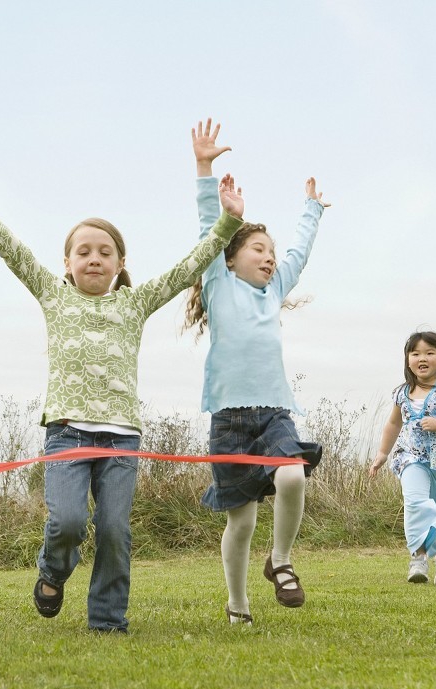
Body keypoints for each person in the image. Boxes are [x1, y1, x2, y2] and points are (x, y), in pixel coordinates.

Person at [0, 151, 245, 634]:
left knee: (114, 532)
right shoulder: (53, 295)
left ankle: (106, 620)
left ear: (121, 263)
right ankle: (52, 570)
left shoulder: (136, 302)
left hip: (122, 440)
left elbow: (189, 265)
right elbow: (8, 245)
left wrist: (227, 224)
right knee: (66, 523)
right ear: (67, 263)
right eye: (84, 252)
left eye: (105, 252)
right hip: (66, 434)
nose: (94, 258)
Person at [182, 119, 327, 624]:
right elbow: (207, 231)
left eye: (270, 251)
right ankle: (238, 604)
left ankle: (281, 559)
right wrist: (205, 169)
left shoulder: (274, 292)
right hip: (228, 419)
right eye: (257, 249)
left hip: (273, 414)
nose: (268, 258)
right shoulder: (219, 285)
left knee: (291, 477)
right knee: (240, 522)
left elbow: (299, 253)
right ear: (232, 257)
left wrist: (311, 211)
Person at [368, 331, 436, 585]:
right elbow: (393, 425)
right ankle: (418, 556)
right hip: (410, 458)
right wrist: (382, 454)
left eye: (429, 353)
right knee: (414, 502)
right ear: (408, 360)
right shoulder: (402, 392)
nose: (422, 358)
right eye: (415, 353)